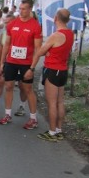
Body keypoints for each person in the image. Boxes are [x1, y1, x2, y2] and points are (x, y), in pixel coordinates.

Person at [30, 8, 74, 142]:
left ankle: (52, 132)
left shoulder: (56, 35)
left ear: (55, 18)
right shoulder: (70, 33)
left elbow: (42, 51)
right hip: (63, 69)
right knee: (60, 102)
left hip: (53, 70)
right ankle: (59, 130)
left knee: (52, 103)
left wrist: (47, 51)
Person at [0, 0, 43, 129]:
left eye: (24, 9)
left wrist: (32, 68)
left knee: (28, 89)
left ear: (30, 9)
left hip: (26, 63)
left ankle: (33, 118)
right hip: (11, 61)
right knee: (8, 87)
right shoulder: (12, 24)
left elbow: (37, 49)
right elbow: (7, 44)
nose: (21, 11)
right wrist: (2, 62)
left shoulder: (35, 25)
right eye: (20, 8)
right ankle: (7, 114)